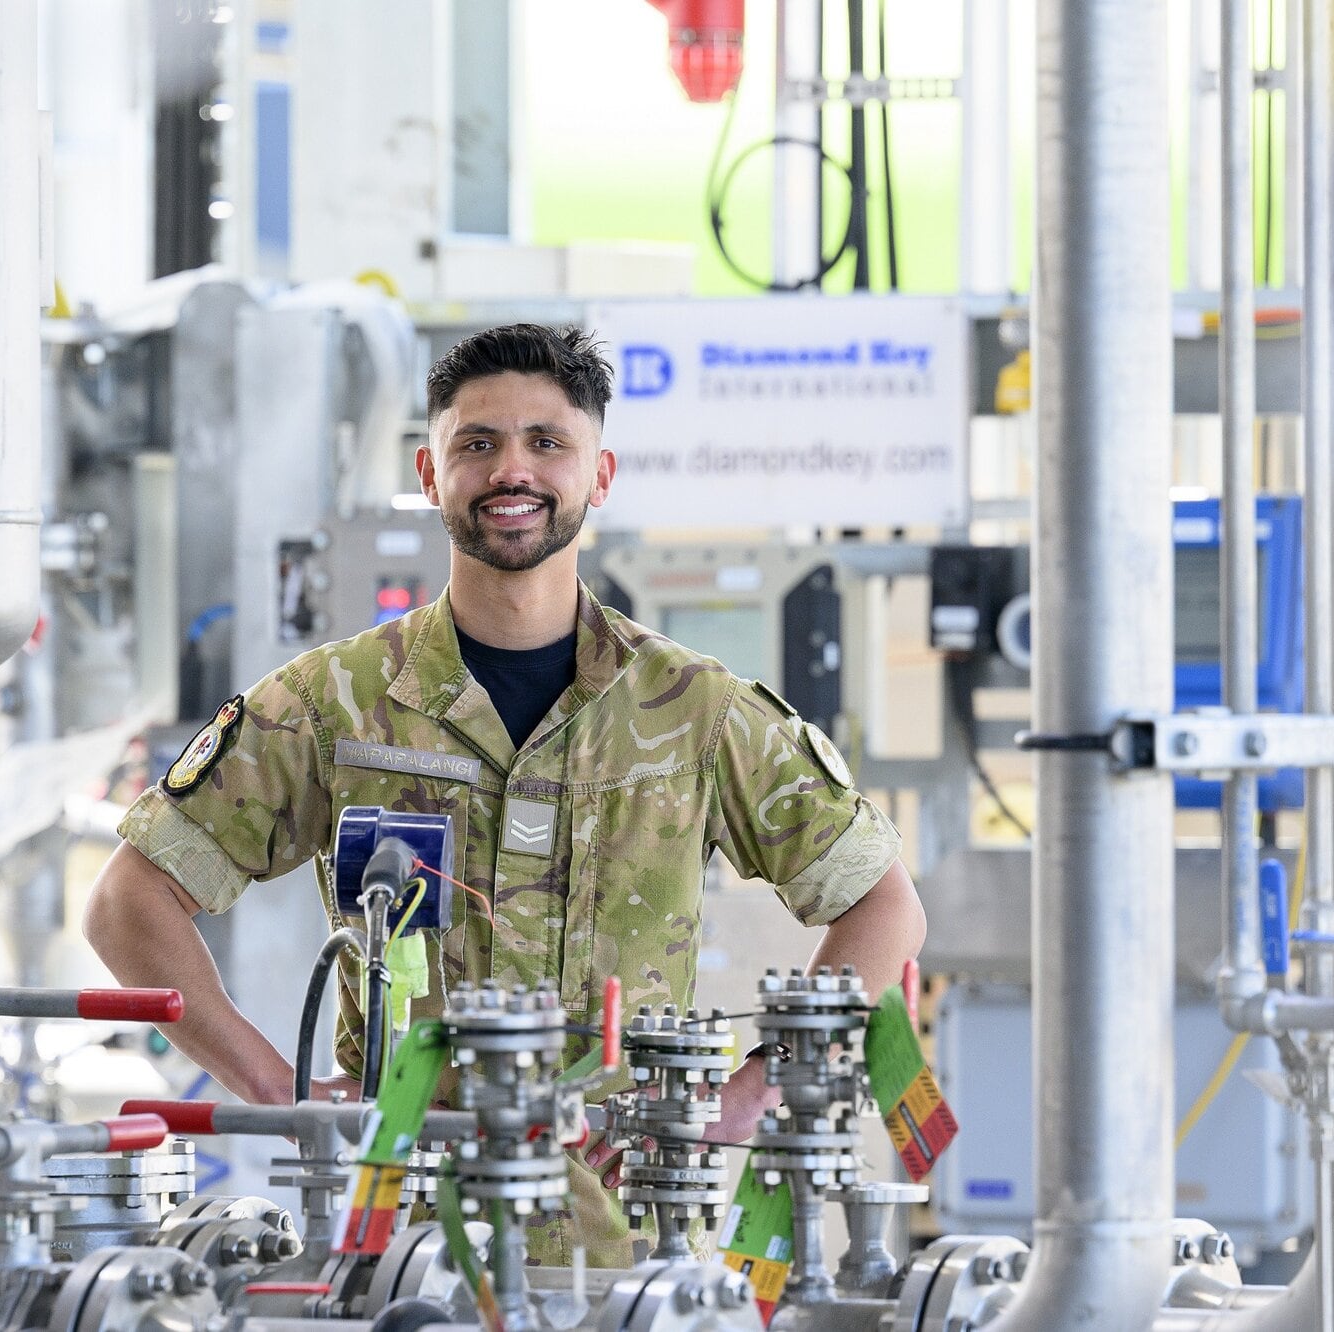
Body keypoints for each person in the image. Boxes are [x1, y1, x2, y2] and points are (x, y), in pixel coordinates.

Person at [84, 323, 927, 1266]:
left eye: (547, 443)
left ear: (599, 475)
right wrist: (272, 1085)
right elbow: (129, 901)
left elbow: (883, 907)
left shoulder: (697, 712)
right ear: (430, 472)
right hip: (399, 1256)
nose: (510, 471)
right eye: (477, 444)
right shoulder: (333, 706)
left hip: (626, 1261)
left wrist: (754, 1092)